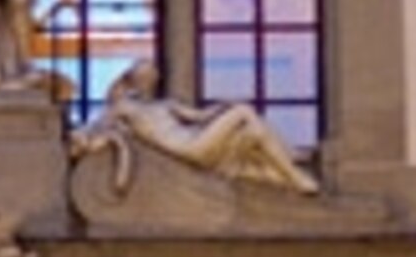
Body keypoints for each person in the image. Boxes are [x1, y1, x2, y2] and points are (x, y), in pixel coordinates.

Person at [72, 62, 320, 195]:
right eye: (145, 76)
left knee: (253, 133)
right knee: (244, 112)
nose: (149, 81)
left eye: (152, 77)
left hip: (198, 139)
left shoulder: (165, 105)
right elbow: (97, 128)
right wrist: (83, 140)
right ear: (134, 81)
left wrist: (223, 106)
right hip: (191, 148)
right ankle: (293, 165)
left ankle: (292, 174)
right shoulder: (125, 107)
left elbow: (201, 116)